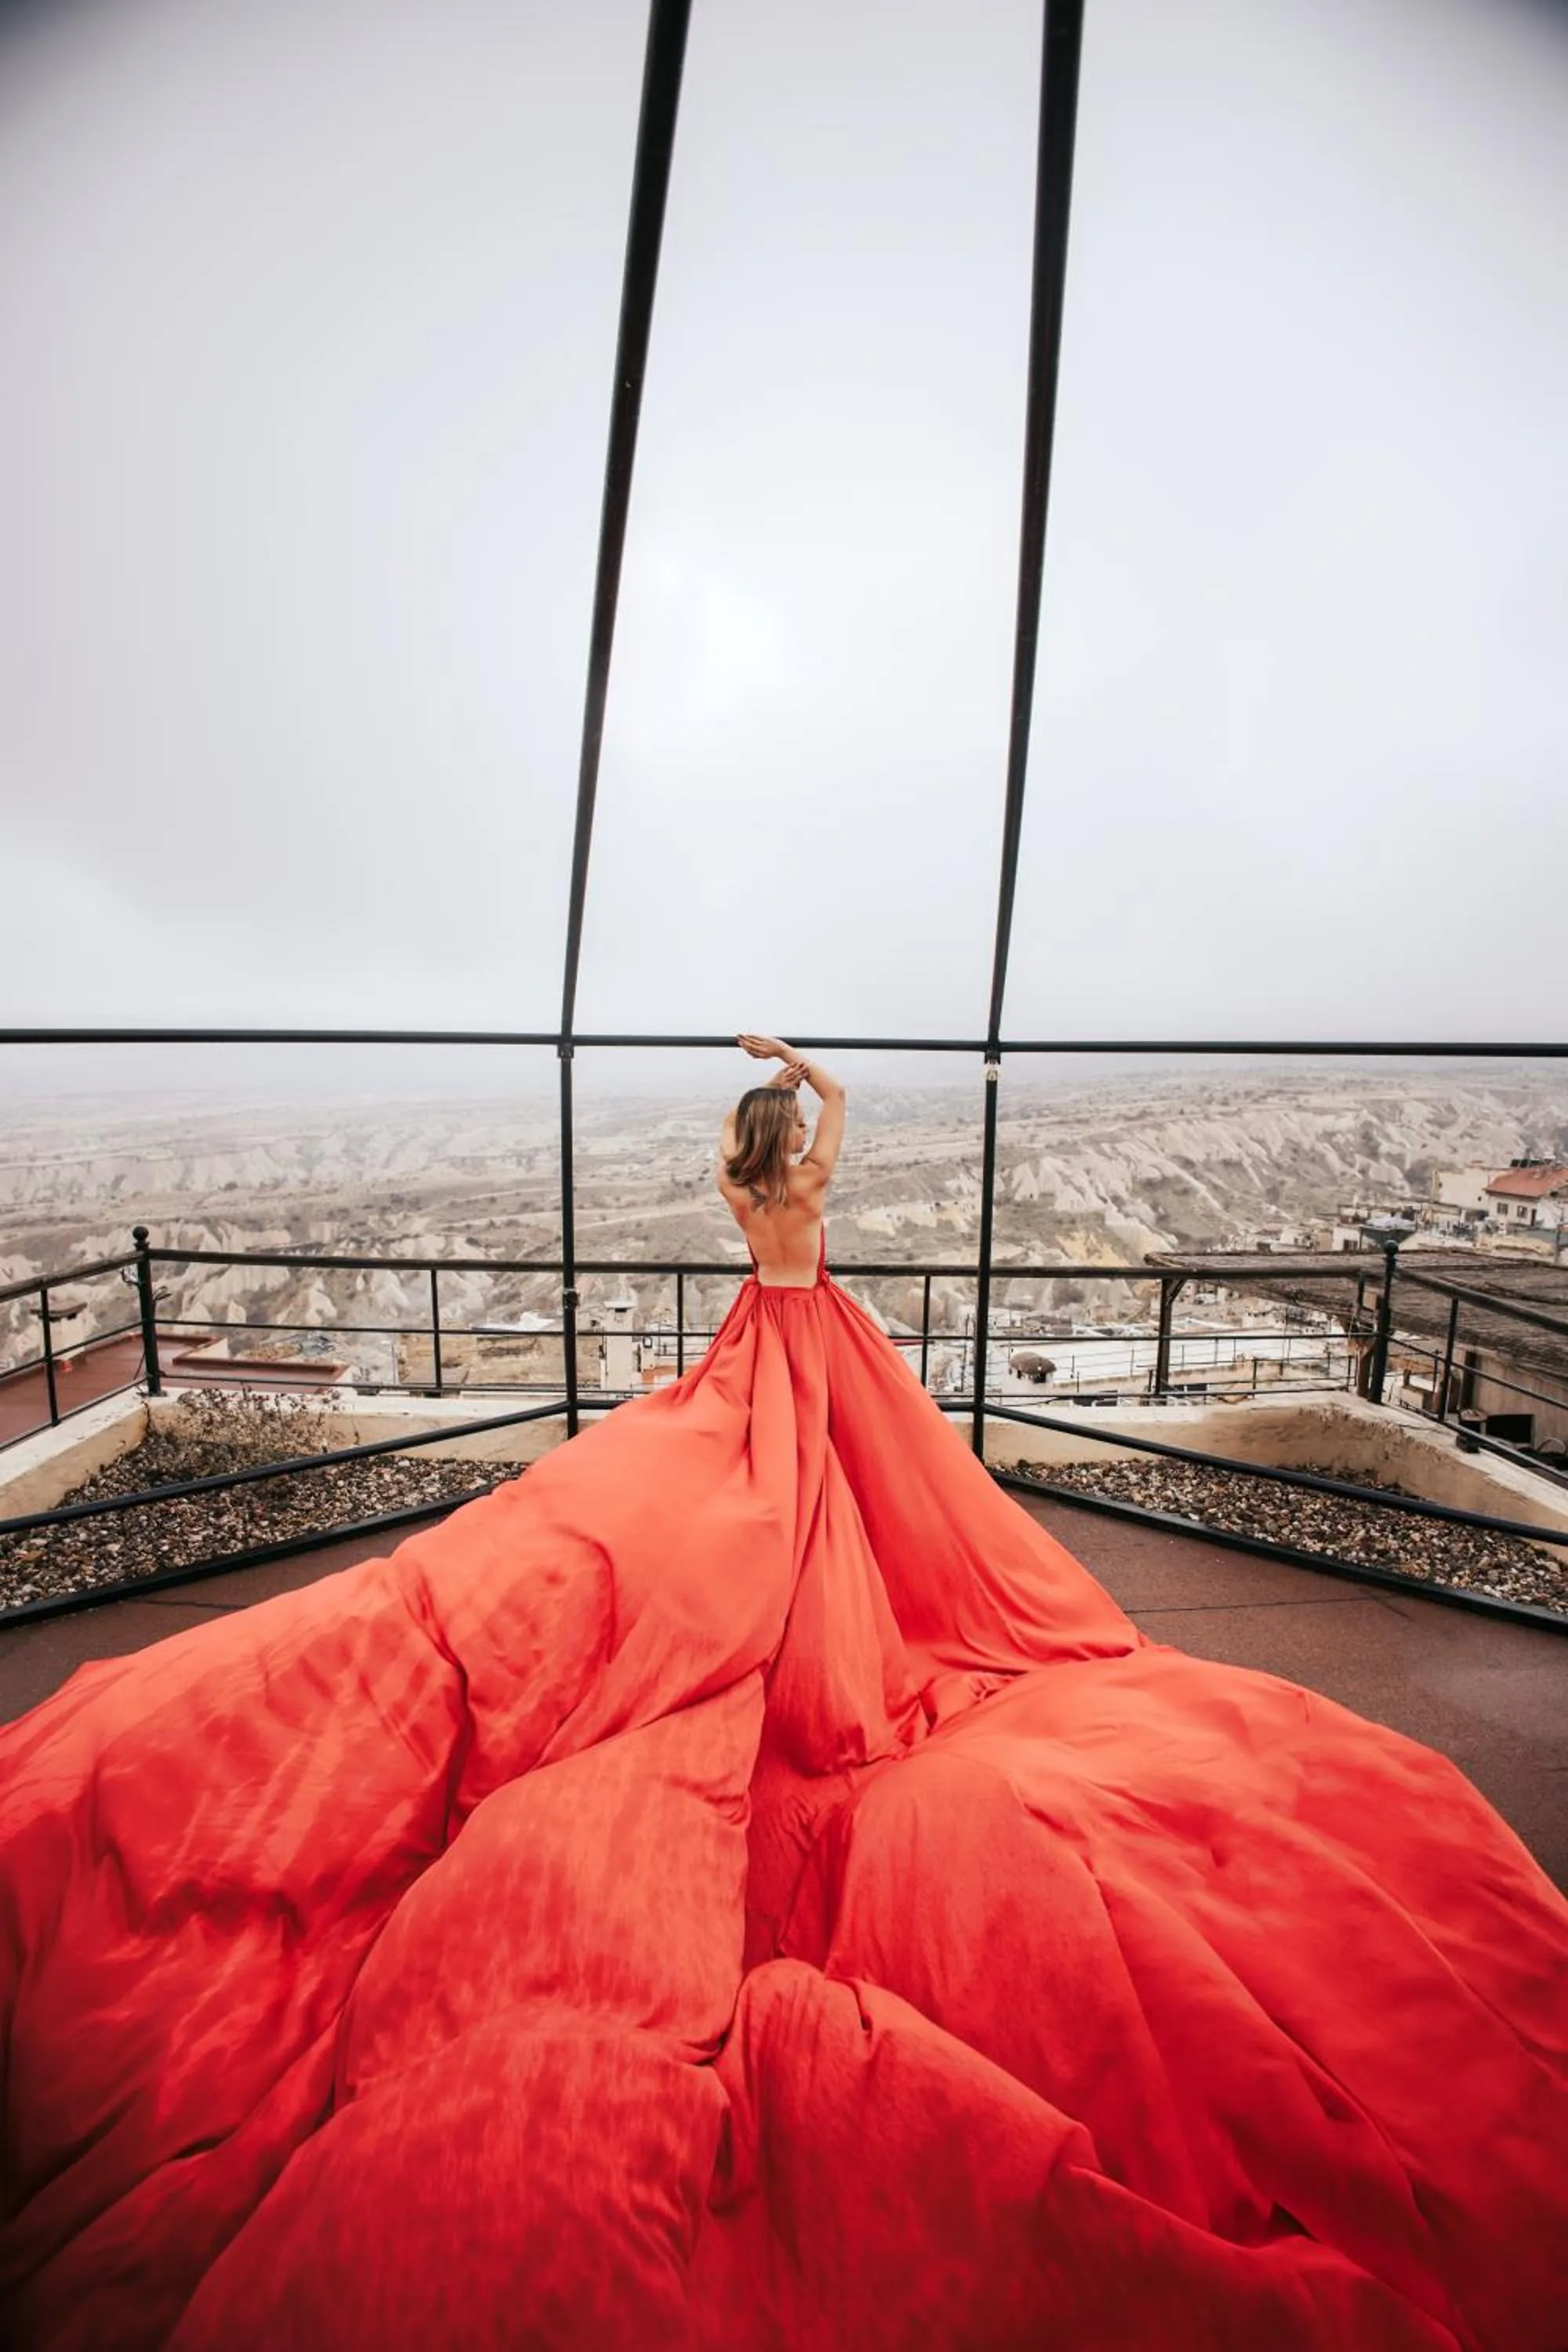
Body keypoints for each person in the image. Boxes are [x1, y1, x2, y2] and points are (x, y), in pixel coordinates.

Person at [2, 1037, 1566, 2352]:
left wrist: (757, 1100)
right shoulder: (807, 1179)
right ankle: (826, 1636)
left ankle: (791, 1620)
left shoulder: (744, 1190)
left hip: (759, 1335)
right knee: (860, 1506)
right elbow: (842, 1126)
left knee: (776, 1498)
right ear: (786, 1150)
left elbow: (763, 1168)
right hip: (824, 1340)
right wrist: (802, 1065)